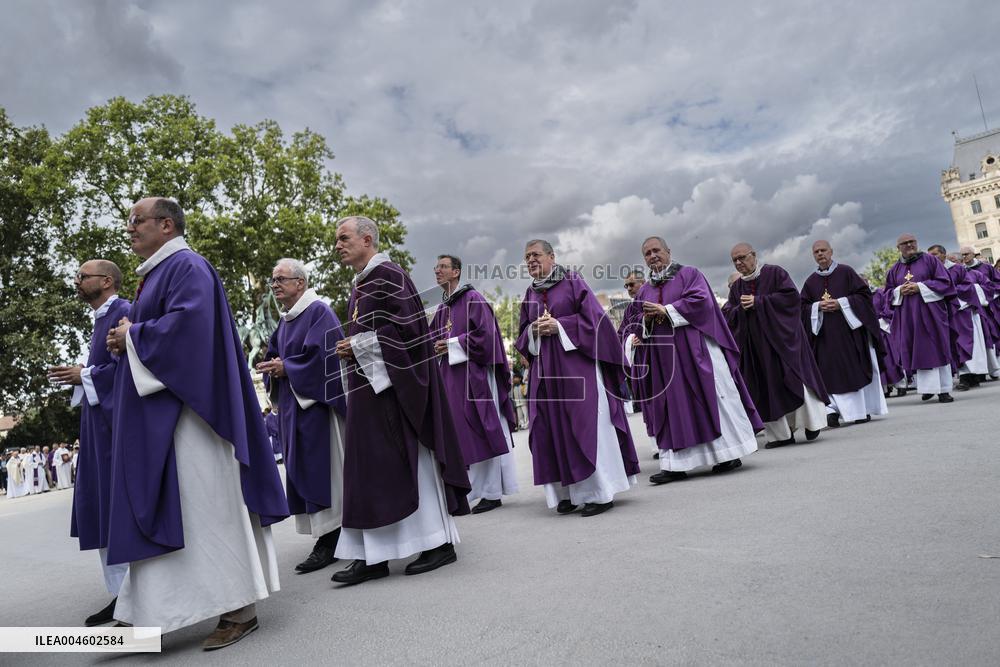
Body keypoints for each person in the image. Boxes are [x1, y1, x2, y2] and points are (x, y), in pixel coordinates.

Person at [104, 197, 288, 650]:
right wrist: (128, 341)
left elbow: (190, 332)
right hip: (165, 415)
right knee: (179, 508)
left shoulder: (187, 266)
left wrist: (134, 335)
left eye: (137, 221)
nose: (129, 229)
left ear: (166, 225)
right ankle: (146, 614)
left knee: (208, 510)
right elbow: (160, 333)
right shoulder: (157, 274)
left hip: (193, 420)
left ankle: (240, 607)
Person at [330, 216, 471, 585]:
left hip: (396, 395)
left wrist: (358, 345)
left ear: (367, 239)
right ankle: (371, 554)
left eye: (344, 238)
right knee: (367, 471)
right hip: (369, 392)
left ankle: (437, 542)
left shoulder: (389, 276)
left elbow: (410, 333)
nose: (338, 245)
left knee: (407, 463)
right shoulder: (362, 284)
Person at [515, 239, 640, 517]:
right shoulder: (530, 294)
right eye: (526, 257)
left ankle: (599, 491)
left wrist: (559, 325)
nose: (530, 261)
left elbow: (597, 323)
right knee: (550, 429)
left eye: (535, 255)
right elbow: (522, 336)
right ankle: (567, 493)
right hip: (546, 374)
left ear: (552, 256)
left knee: (586, 425)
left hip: (577, 368)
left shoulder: (572, 281)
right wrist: (533, 330)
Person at [622, 237, 762, 485]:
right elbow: (633, 321)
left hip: (696, 350)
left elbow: (702, 302)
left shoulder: (689, 274)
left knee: (711, 398)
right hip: (664, 360)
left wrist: (666, 310)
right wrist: (644, 323)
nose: (652, 256)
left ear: (668, 251)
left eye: (656, 251)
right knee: (672, 406)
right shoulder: (644, 290)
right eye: (647, 253)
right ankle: (675, 465)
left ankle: (727, 454)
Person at [47, 258, 132, 626]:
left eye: (83, 276)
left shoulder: (125, 311)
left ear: (107, 280)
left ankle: (133, 596)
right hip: (97, 426)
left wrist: (85, 374)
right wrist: (83, 376)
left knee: (119, 505)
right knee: (101, 505)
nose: (77, 281)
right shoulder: (100, 319)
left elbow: (131, 368)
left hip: (117, 428)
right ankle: (120, 595)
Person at [256, 258, 347, 576]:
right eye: (273, 280)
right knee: (302, 471)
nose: (275, 285)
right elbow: (273, 354)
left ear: (301, 283)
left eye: (281, 279)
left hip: (316, 408)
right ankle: (327, 535)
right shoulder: (285, 321)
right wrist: (270, 367)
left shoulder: (318, 312)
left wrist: (287, 368)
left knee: (324, 471)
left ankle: (333, 536)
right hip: (295, 407)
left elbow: (327, 357)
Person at [430, 254, 519, 514]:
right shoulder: (442, 308)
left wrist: (451, 345)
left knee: (482, 428)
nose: (438, 271)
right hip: (451, 378)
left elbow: (487, 337)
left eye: (443, 267)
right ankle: (471, 490)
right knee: (461, 433)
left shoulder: (473, 300)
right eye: (436, 267)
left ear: (456, 272)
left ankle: (491, 492)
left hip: (475, 377)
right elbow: (432, 339)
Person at [724, 243, 829, 447]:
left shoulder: (775, 273)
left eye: (742, 257)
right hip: (758, 348)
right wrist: (740, 310)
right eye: (734, 260)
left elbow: (791, 299)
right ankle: (781, 435)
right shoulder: (737, 287)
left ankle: (811, 423)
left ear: (753, 255)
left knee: (795, 379)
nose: (739, 262)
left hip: (784, 341)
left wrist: (759, 302)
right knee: (766, 387)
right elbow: (729, 313)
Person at [800, 240, 887, 427]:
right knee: (828, 373)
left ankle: (858, 411)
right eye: (816, 252)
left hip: (849, 334)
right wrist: (817, 307)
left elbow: (864, 297)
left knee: (852, 370)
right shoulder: (810, 282)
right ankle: (832, 410)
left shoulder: (846, 272)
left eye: (823, 250)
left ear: (831, 252)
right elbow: (802, 307)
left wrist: (842, 303)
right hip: (825, 338)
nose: (820, 254)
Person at [884, 234, 956, 402]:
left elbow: (945, 283)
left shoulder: (931, 261)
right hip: (909, 317)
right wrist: (899, 291)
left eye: (912, 242)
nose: (909, 245)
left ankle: (944, 389)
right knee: (918, 350)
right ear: (898, 248)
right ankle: (928, 388)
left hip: (932, 314)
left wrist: (920, 287)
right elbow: (886, 293)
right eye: (905, 243)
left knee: (937, 347)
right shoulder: (894, 270)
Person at [928, 246, 988, 391]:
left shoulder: (957, 269)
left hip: (961, 310)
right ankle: (967, 376)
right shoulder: (931, 272)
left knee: (963, 342)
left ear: (943, 254)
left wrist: (948, 291)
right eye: (930, 255)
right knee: (953, 344)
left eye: (935, 254)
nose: (932, 258)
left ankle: (967, 376)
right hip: (944, 312)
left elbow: (968, 287)